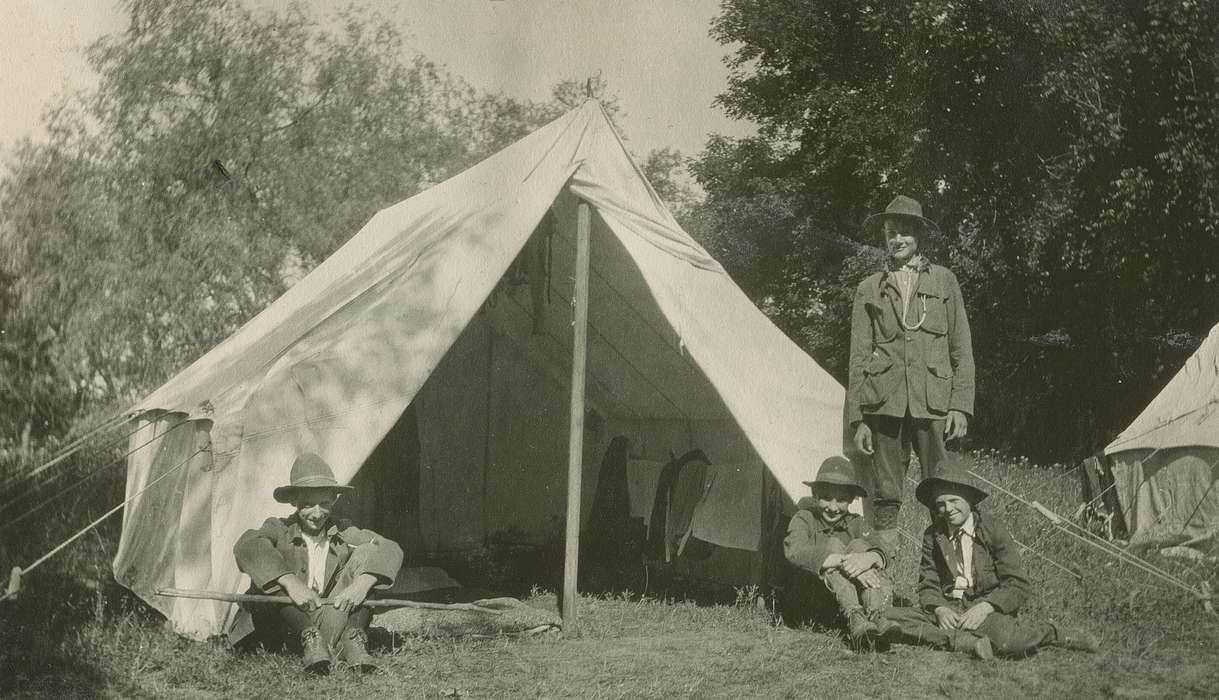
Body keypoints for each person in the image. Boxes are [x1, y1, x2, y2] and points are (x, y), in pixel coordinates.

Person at [846, 195, 975, 545]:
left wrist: (960, 405)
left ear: (919, 236)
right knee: (885, 490)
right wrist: (858, 420)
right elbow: (858, 358)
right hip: (883, 404)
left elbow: (961, 347)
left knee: (944, 485)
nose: (897, 240)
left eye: (905, 233)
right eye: (891, 233)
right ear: (884, 238)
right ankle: (881, 570)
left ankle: (951, 570)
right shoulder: (869, 288)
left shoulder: (944, 282)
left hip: (932, 403)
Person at [881, 468, 1100, 659]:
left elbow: (1017, 583)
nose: (947, 509)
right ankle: (963, 641)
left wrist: (985, 608)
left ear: (969, 499)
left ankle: (1052, 633)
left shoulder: (992, 528)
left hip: (984, 607)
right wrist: (939, 609)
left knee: (1010, 643)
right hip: (950, 607)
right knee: (887, 617)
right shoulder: (933, 534)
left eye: (954, 501)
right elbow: (928, 581)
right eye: (940, 504)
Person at [233, 452, 403, 674]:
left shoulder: (344, 531)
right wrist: (291, 582)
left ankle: (353, 640)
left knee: (369, 555)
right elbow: (247, 545)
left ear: (334, 500)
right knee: (269, 574)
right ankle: (309, 639)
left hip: (328, 617)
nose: (317, 513)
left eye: (324, 504)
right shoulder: (279, 529)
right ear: (294, 502)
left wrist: (362, 585)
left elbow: (390, 547)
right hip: (287, 625)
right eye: (307, 505)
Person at [783, 456, 896, 647]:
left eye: (842, 500)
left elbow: (883, 549)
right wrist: (845, 561)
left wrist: (867, 559)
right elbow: (794, 550)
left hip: (845, 602)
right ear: (815, 495)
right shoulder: (804, 517)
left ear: (852, 499)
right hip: (810, 600)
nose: (833, 508)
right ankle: (854, 616)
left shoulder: (856, 522)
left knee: (861, 546)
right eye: (826, 498)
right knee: (833, 545)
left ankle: (874, 615)